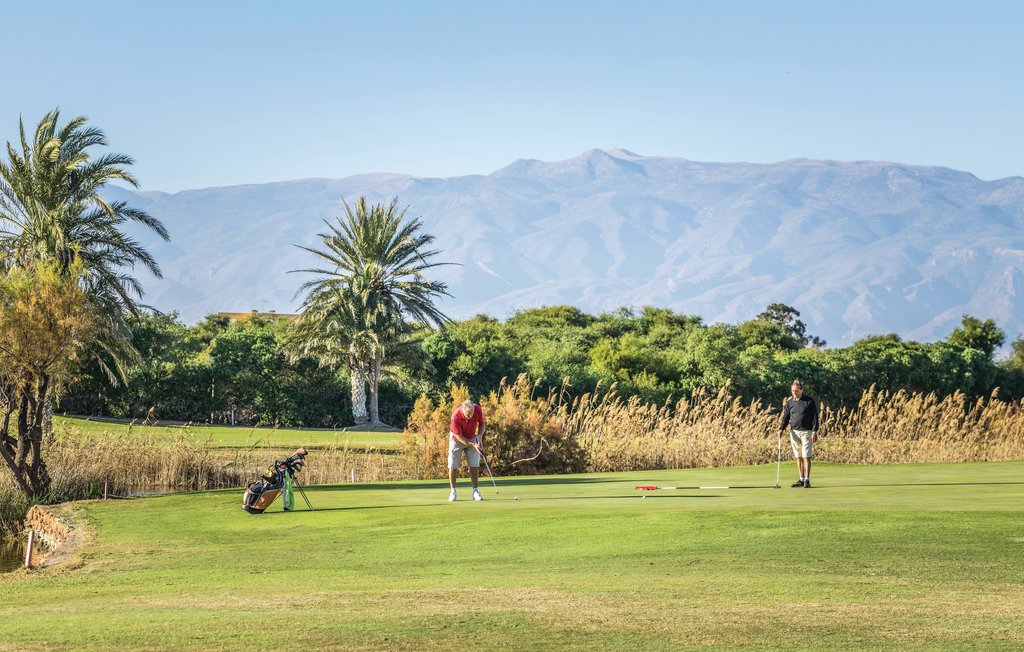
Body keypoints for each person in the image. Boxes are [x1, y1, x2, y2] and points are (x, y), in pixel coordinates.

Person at [777, 380, 819, 488]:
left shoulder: (808, 401)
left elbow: (815, 417)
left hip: (807, 432)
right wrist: (781, 429)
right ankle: (801, 479)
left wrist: (814, 431)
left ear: (801, 390)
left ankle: (807, 480)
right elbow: (786, 417)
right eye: (792, 391)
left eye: (796, 390)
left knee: (806, 456)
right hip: (794, 432)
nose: (794, 393)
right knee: (798, 456)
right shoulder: (790, 402)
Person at [448, 399, 487, 501]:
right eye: (468, 414)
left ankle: (475, 491)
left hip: (472, 437)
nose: (470, 416)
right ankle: (453, 491)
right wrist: (473, 444)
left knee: (474, 465)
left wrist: (479, 436)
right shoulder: (455, 417)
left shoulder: (477, 409)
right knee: (453, 465)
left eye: (472, 414)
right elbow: (459, 437)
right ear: (462, 410)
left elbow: (482, 424)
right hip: (457, 439)